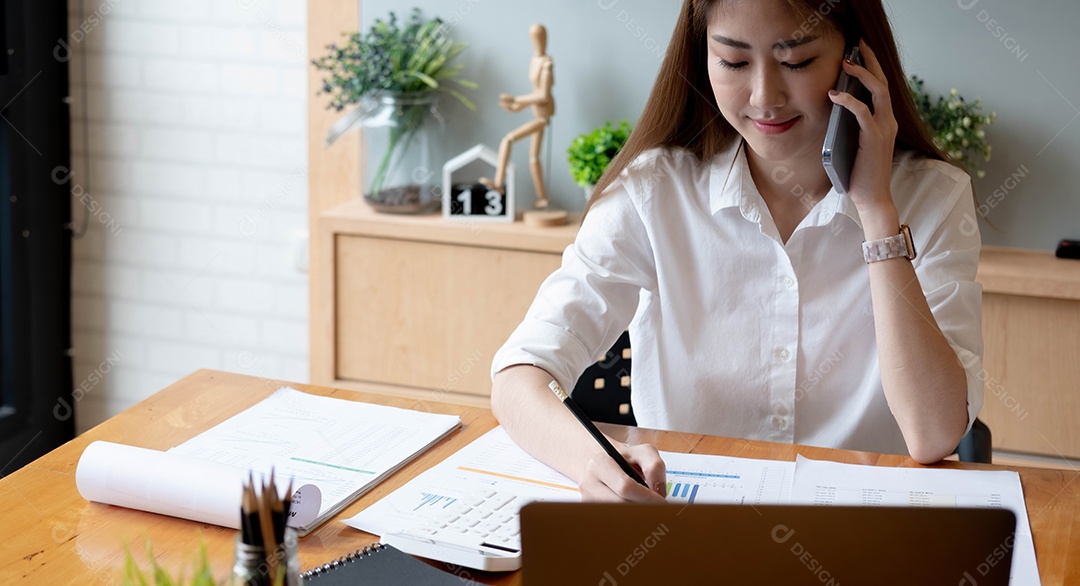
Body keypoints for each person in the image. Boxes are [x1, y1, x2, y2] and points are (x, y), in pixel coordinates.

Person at [490, 0, 984, 502]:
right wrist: (594, 460)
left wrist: (876, 210)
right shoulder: (652, 192)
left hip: (859, 537)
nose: (765, 96)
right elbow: (520, 376)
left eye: (796, 61)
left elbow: (933, 434)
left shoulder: (934, 198)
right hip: (688, 535)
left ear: (857, 62)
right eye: (733, 62)